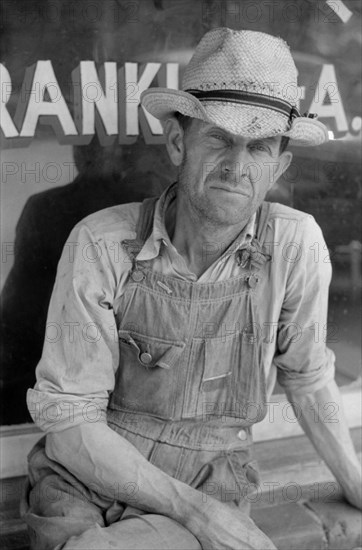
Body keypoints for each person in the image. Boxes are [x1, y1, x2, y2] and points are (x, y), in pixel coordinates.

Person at [21, 28, 361, 550]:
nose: (237, 167)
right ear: (179, 142)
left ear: (281, 165)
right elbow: (70, 426)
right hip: (83, 482)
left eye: (260, 148)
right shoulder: (101, 242)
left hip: (209, 479)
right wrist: (198, 516)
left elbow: (308, 378)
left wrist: (354, 482)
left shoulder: (294, 245)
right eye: (219, 139)